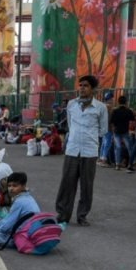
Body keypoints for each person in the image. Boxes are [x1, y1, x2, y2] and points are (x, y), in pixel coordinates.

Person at [55, 75, 108, 226]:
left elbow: (103, 130)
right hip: (72, 149)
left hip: (89, 151)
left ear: (92, 89)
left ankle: (82, 215)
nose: (82, 88)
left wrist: (89, 137)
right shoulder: (71, 104)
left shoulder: (101, 107)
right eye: (80, 85)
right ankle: (62, 214)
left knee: (87, 185)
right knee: (67, 183)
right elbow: (71, 126)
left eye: (85, 85)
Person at [0, 172, 40, 247]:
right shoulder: (29, 198)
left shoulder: (19, 202)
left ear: (23, 186)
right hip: (30, 234)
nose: (11, 189)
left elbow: (5, 227)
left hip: (22, 238)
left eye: (15, 186)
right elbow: (6, 221)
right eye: (9, 186)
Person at [108, 96, 136, 170]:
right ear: (126, 102)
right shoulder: (128, 111)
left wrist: (112, 131)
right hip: (125, 132)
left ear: (118, 102)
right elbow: (133, 119)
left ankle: (117, 165)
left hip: (116, 131)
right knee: (129, 148)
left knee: (118, 148)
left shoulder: (115, 111)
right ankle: (131, 164)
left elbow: (111, 122)